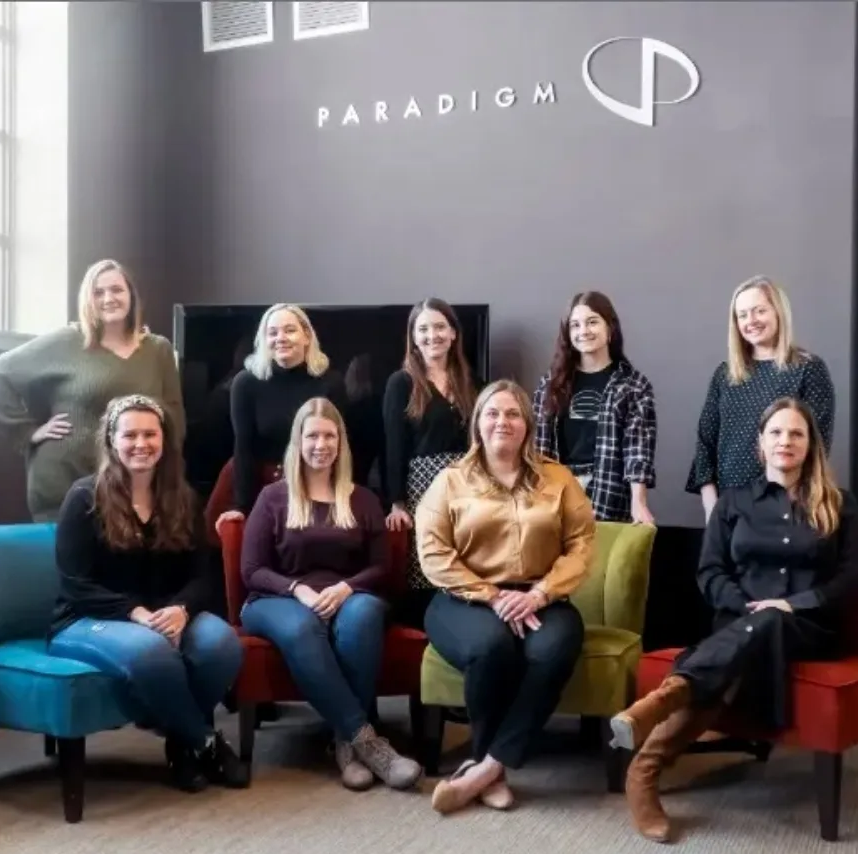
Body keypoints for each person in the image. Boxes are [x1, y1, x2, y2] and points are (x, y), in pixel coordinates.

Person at [611, 396, 858, 843]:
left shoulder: (838, 504)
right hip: (738, 622)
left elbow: (853, 575)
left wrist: (796, 603)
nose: (785, 441)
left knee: (766, 625)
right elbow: (710, 572)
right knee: (754, 632)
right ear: (761, 443)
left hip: (809, 627)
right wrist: (747, 606)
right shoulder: (733, 503)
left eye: (796, 433)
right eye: (776, 432)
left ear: (811, 445)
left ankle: (653, 739)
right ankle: (646, 767)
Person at [48, 394, 248, 793]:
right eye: (130, 435)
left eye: (150, 434)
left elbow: (201, 575)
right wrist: (136, 613)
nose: (141, 443)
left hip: (164, 614)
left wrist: (182, 609)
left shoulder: (182, 498)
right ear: (111, 440)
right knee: (149, 650)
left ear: (164, 440)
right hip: (86, 619)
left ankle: (180, 745)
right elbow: (75, 583)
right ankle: (204, 742)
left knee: (222, 644)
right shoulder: (84, 497)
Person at [416, 379, 596, 814]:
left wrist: (540, 594)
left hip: (540, 597)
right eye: (492, 413)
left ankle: (486, 767)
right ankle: (488, 765)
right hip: (463, 598)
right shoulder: (451, 480)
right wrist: (493, 596)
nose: (503, 422)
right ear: (478, 423)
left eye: (513, 414)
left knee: (554, 648)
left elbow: (582, 544)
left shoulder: (558, 477)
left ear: (527, 424)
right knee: (490, 646)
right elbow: (433, 553)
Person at [238, 398, 423, 791]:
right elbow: (252, 570)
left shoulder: (363, 499)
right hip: (276, 600)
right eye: (312, 436)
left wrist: (346, 587)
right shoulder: (273, 497)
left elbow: (381, 567)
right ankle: (367, 741)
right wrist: (297, 589)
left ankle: (344, 744)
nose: (320, 445)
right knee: (304, 627)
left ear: (341, 443)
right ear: (298, 441)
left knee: (364, 614)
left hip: (347, 594)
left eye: (329, 436)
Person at [0, 259, 184, 522]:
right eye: (98, 292)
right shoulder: (66, 341)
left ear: (131, 295)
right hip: (64, 483)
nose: (108, 298)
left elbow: (174, 416)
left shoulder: (158, 350)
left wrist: (166, 474)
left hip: (133, 484)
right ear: (88, 300)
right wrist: (27, 432)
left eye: (116, 290)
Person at [686, 275, 836, 524]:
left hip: (785, 506)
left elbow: (817, 446)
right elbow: (705, 443)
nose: (751, 321)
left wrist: (791, 504)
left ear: (778, 312)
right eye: (742, 315)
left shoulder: (808, 369)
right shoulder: (725, 374)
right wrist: (712, 507)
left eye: (759, 311)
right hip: (728, 507)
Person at [381, 298, 478, 625]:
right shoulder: (401, 383)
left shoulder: (471, 380)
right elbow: (393, 445)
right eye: (423, 329)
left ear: (453, 333)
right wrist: (397, 502)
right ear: (413, 336)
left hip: (466, 487)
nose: (431, 335)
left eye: (439, 327)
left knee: (464, 563)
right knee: (426, 567)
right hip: (422, 488)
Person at [210, 304, 345, 532]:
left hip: (314, 479)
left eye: (289, 330)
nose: (280, 338)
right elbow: (243, 447)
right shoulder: (245, 383)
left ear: (307, 336)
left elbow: (339, 446)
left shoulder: (330, 382)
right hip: (260, 481)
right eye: (272, 333)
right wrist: (243, 506)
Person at [530, 290, 658, 525]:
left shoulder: (633, 385)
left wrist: (638, 502)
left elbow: (638, 450)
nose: (584, 331)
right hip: (556, 492)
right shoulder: (550, 384)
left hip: (607, 492)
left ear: (610, 328)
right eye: (575, 325)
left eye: (592, 322)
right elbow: (537, 445)